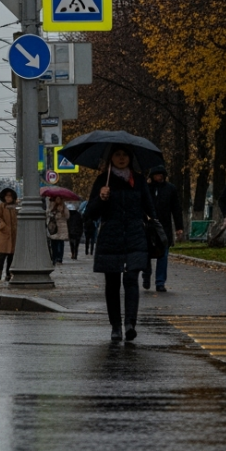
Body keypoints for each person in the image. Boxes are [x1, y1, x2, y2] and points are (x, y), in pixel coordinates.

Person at [83, 145, 156, 342]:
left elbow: (150, 208)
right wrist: (101, 198)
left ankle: (130, 323)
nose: (122, 158)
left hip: (135, 236)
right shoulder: (103, 181)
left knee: (132, 280)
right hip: (111, 237)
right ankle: (115, 326)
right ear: (111, 158)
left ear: (130, 158)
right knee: (112, 283)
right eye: (117, 154)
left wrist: (154, 228)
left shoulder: (138, 180)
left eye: (125, 155)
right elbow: (89, 213)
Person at [144, 165, 184, 292]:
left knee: (163, 255)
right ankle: (146, 275)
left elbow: (176, 209)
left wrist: (179, 227)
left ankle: (160, 282)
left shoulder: (170, 189)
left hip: (164, 228)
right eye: (156, 175)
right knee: (146, 254)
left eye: (161, 175)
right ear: (152, 176)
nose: (159, 177)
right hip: (148, 228)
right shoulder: (147, 189)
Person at [0, 188, 18, 280]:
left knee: (11, 255)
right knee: (2, 254)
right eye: (6, 196)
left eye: (10, 196)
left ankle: (8, 273)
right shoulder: (1, 206)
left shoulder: (16, 206)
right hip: (4, 235)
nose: (8, 198)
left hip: (14, 235)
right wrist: (4, 227)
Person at [46, 196, 69, 264]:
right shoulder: (51, 205)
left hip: (62, 227)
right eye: (57, 199)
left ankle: (60, 258)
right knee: (54, 243)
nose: (58, 200)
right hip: (54, 227)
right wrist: (51, 213)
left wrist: (62, 212)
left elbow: (67, 216)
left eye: (59, 199)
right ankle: (54, 257)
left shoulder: (64, 206)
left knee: (60, 243)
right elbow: (47, 213)